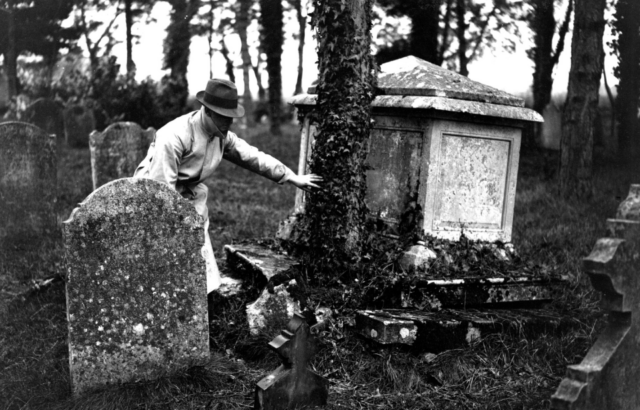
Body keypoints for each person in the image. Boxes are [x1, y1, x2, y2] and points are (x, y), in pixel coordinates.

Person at [134, 78, 322, 293]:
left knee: (199, 254)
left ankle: (202, 297)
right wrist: (176, 227)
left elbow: (251, 156)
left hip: (190, 193)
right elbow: (161, 193)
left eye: (230, 117)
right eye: (222, 116)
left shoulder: (221, 135)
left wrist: (290, 176)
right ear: (207, 110)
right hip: (152, 197)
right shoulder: (173, 136)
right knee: (165, 250)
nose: (228, 122)